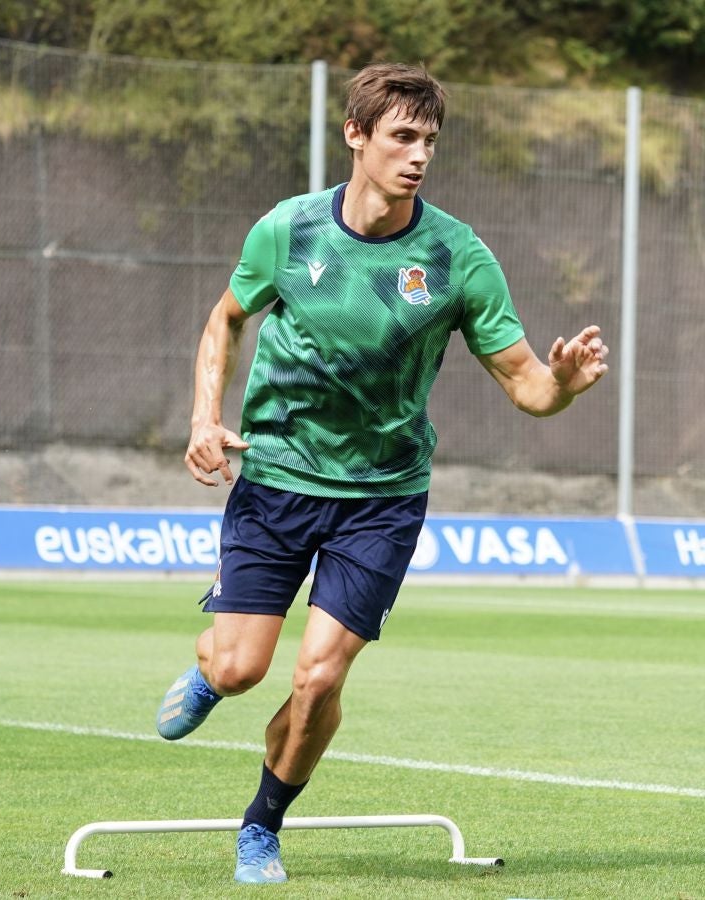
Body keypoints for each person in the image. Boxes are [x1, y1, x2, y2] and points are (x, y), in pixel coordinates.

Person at [156, 62, 608, 884]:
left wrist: (564, 386)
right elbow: (224, 320)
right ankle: (209, 671)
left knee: (320, 675)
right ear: (355, 136)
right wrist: (202, 418)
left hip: (383, 499)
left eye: (430, 140)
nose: (418, 155)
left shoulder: (458, 256)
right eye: (402, 136)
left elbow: (526, 386)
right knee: (242, 668)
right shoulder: (287, 231)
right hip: (278, 480)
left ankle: (261, 825)